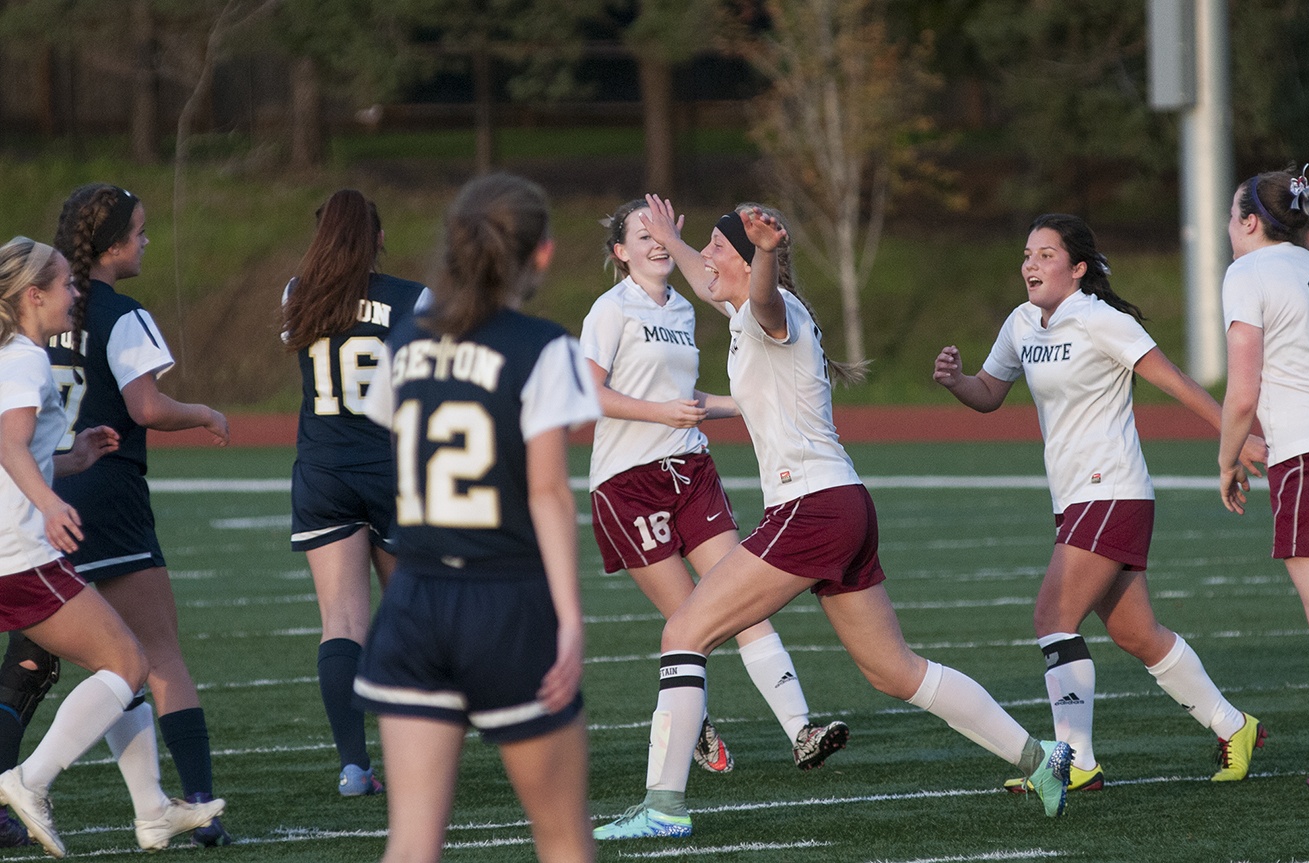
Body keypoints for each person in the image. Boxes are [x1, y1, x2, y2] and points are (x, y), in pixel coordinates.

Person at [593, 199, 1073, 841]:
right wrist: (670, 240)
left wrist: (762, 252)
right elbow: (721, 283)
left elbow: (760, 294)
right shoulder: (738, 309)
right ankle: (1042, 760)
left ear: (740, 258)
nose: (701, 258)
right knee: (893, 671)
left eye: (713, 246)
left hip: (811, 507)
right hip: (843, 504)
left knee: (684, 632)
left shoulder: (772, 309)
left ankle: (664, 807)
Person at [934, 213, 1268, 796]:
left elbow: (1177, 382)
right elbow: (989, 393)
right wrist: (957, 381)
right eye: (1027, 254)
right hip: (1077, 498)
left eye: (1044, 255)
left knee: (1051, 617)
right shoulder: (1020, 322)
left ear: (1077, 268)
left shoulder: (1101, 320)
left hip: (1113, 489)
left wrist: (1235, 438)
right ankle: (1233, 726)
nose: (1030, 264)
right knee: (1138, 634)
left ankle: (1075, 761)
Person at [353, 173, 599, 863]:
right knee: (561, 837)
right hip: (507, 600)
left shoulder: (405, 341)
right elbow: (548, 492)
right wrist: (571, 618)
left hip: (415, 597)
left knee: (410, 843)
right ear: (541, 253)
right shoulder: (544, 347)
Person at [580, 198, 848, 774]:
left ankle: (802, 730)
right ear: (620, 253)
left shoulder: (682, 307)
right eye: (640, 234)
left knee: (742, 605)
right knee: (690, 621)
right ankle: (691, 728)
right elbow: (588, 394)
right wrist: (660, 414)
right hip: (628, 485)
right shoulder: (610, 309)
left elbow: (695, 400)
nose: (657, 243)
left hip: (690, 470)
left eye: (662, 233)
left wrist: (758, 408)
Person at [0, 236, 225, 858]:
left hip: (13, 549)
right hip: (21, 552)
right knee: (127, 663)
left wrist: (72, 459)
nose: (77, 294)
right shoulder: (23, 359)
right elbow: (10, 447)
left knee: (115, 662)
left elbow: (24, 450)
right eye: (67, 284)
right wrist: (49, 505)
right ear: (33, 296)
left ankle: (153, 811)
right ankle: (28, 781)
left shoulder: (17, 355)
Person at [280, 189, 429, 796]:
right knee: (407, 621)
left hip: (322, 470)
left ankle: (353, 766)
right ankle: (413, 759)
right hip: (392, 469)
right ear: (378, 238)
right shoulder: (413, 298)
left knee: (341, 619)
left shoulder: (297, 295)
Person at [1216, 168, 1309, 793]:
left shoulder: (1248, 273)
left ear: (1251, 222)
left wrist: (1227, 461)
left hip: (1308, 456)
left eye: (1232, 218)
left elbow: (1241, 392)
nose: (1231, 230)